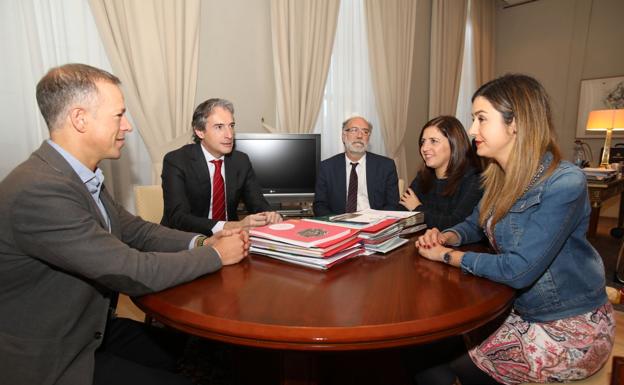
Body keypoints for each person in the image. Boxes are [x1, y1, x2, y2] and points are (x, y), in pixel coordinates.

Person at [0, 63, 249, 385]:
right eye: (119, 115)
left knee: (202, 352)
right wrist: (216, 255)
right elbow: (132, 270)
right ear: (80, 119)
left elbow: (137, 230)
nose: (128, 126)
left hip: (89, 324)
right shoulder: (40, 190)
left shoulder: (76, 176)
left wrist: (201, 242)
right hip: (53, 353)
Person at [415, 74, 614, 384]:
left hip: (568, 324)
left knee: (452, 363)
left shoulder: (565, 182)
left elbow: (519, 270)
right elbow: (473, 224)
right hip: (518, 310)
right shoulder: (496, 176)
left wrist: (446, 256)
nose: (471, 130)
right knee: (427, 354)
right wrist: (448, 235)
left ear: (515, 123)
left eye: (481, 119)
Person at [161, 98, 282, 235]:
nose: (229, 135)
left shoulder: (240, 161)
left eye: (231, 125)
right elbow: (178, 218)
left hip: (230, 239)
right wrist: (232, 226)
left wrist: (269, 215)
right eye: (219, 127)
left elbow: (257, 203)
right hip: (187, 240)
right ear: (200, 131)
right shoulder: (177, 161)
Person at [399, 116, 482, 229]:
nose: (424, 148)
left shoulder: (473, 178)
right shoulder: (423, 176)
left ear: (454, 144)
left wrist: (418, 208)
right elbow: (401, 210)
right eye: (423, 142)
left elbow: (456, 223)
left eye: (434, 141)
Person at [313, 115, 399, 216]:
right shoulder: (327, 167)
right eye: (354, 130)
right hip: (339, 224)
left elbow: (392, 204)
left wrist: (376, 223)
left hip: (375, 224)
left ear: (368, 138)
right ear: (344, 136)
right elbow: (320, 205)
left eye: (365, 132)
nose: (359, 136)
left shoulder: (386, 166)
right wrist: (336, 224)